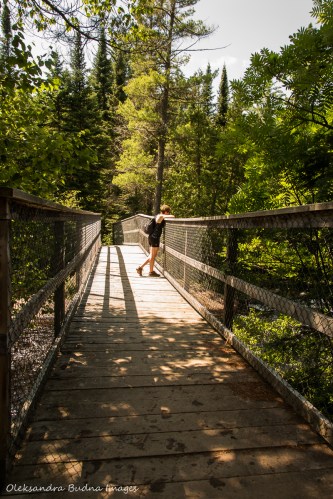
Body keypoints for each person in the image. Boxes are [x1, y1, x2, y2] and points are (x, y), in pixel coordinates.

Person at [136, 204, 174, 277]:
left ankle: (143, 269)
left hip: (152, 237)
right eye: (168, 211)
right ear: (165, 211)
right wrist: (168, 216)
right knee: (153, 256)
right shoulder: (160, 216)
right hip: (154, 238)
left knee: (152, 255)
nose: (169, 213)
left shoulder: (159, 216)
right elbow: (172, 216)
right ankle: (147, 270)